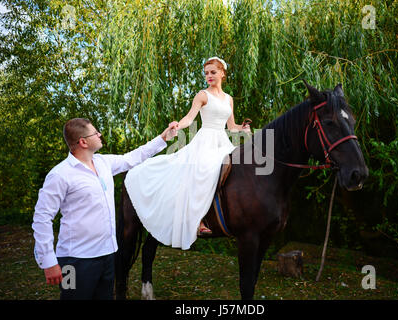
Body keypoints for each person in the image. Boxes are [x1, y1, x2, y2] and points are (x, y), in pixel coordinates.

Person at [32, 118, 177, 300]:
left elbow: (133, 158)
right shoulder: (60, 175)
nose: (99, 135)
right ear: (83, 142)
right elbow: (42, 218)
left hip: (107, 255)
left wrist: (164, 137)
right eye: (95, 133)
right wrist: (48, 261)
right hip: (74, 260)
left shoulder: (103, 163)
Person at [124, 57, 250, 250]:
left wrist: (242, 128)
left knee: (236, 171)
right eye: (206, 72)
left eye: (213, 72)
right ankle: (198, 220)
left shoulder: (229, 99)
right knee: (203, 172)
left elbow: (230, 127)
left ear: (222, 73)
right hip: (204, 141)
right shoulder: (202, 95)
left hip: (222, 142)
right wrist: (177, 125)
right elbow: (190, 119)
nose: (209, 76)